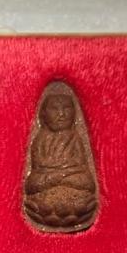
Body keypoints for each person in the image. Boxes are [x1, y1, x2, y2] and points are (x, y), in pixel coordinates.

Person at [24, 93, 97, 229]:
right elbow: (38, 169)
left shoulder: (75, 138)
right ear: (44, 114)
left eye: (66, 108)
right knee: (32, 183)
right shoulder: (40, 141)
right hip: (48, 178)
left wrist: (61, 174)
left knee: (86, 181)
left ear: (74, 113)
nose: (61, 114)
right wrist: (58, 173)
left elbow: (81, 167)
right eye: (54, 109)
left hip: (71, 178)